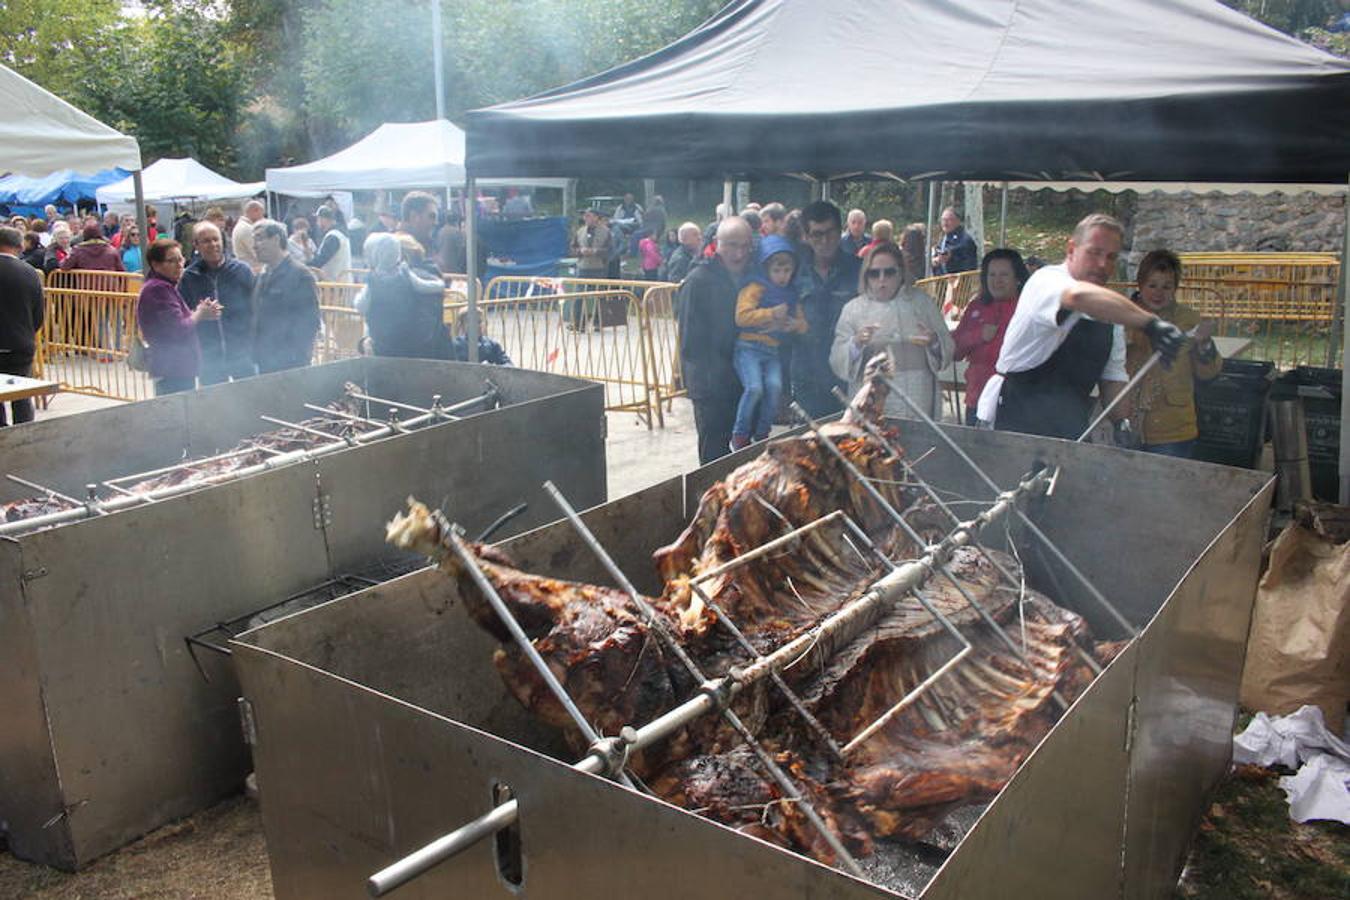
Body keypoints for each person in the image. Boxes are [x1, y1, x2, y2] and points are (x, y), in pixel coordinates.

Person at [977, 214, 1186, 440]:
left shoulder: (1110, 311)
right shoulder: (1046, 281)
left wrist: (1122, 424)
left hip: (1070, 422)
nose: (1102, 265)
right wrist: (1150, 323)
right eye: (1094, 253)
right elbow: (1077, 296)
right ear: (1071, 249)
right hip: (1015, 417)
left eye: (1111, 257)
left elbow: (1112, 377)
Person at [831, 241, 954, 419]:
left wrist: (934, 342)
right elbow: (837, 359)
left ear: (901, 273)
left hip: (917, 397)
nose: (882, 279)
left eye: (889, 272)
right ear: (866, 276)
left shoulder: (922, 303)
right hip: (870, 401)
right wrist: (855, 344)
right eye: (874, 273)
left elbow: (947, 348)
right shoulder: (853, 309)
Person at [1123, 249, 1222, 457]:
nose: (1158, 293)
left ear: (1176, 288)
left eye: (1167, 286)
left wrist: (1204, 345)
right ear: (1139, 285)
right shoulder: (1123, 316)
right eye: (1152, 285)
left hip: (1174, 428)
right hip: (1127, 419)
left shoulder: (1188, 319)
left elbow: (1208, 373)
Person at [678, 216, 753, 463]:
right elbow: (690, 343)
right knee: (714, 459)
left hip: (745, 381)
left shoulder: (754, 278)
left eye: (744, 246)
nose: (738, 253)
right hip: (711, 387)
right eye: (731, 245)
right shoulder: (698, 280)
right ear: (717, 244)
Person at [731, 234, 807, 450]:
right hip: (749, 347)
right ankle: (740, 434)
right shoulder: (755, 287)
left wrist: (795, 325)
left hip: (772, 351)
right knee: (754, 388)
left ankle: (763, 433)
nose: (782, 276)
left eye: (786, 271)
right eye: (777, 270)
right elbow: (741, 316)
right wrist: (771, 313)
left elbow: (803, 323)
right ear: (766, 269)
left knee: (774, 387)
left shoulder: (791, 293)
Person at [793, 200, 862, 417]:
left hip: (848, 375)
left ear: (841, 230)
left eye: (830, 232)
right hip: (807, 377)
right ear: (806, 235)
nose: (824, 241)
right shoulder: (793, 273)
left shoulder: (859, 269)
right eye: (817, 234)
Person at [136, 239, 221, 396]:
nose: (179, 264)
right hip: (172, 369)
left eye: (181, 259)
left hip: (177, 368)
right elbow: (178, 328)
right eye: (171, 261)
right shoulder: (158, 289)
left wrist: (202, 312)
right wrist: (200, 313)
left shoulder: (165, 286)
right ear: (156, 265)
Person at [953, 249, 1029, 424]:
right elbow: (954, 350)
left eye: (1004, 275)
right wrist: (978, 335)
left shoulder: (1027, 309)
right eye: (991, 275)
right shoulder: (976, 307)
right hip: (977, 399)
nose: (997, 281)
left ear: (1017, 278)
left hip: (1016, 402)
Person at [179, 221, 257, 385]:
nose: (213, 245)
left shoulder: (242, 270)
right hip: (209, 357)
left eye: (216, 239)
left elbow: (256, 307)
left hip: (242, 352)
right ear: (196, 245)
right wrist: (199, 314)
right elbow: (183, 315)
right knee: (214, 405)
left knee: (251, 400)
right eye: (206, 241)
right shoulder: (189, 277)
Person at [358, 232, 450, 359]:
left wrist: (371, 341)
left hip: (408, 357)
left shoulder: (413, 279)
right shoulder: (418, 279)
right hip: (423, 356)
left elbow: (422, 332)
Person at [251, 220, 319, 374]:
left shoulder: (300, 275)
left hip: (290, 363)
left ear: (275, 239)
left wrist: (298, 358)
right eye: (254, 240)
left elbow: (310, 322)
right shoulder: (262, 275)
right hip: (264, 360)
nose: (255, 246)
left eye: (259, 238)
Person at [0, 226, 45, 425]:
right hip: (21, 344)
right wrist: (27, 333)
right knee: (22, 395)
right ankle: (26, 439)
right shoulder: (30, 272)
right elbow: (38, 314)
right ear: (19, 246)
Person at [931, 207, 979, 275]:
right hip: (943, 282)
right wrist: (935, 261)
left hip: (961, 281)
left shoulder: (964, 239)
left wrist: (950, 254)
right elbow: (937, 257)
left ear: (958, 221)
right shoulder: (943, 239)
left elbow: (959, 250)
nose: (945, 223)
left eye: (949, 220)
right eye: (943, 220)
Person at [309, 206, 352, 282]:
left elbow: (320, 261)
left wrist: (301, 266)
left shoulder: (333, 236)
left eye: (318, 219)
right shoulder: (338, 234)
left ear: (323, 219)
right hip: (340, 283)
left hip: (334, 285)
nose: (317, 223)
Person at [398, 191, 440, 261]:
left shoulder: (425, 244)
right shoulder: (403, 247)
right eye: (431, 216)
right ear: (414, 216)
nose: (436, 223)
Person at [572, 208, 611, 279]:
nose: (585, 218)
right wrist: (580, 251)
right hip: (582, 269)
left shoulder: (606, 232)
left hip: (599, 269)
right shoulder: (580, 231)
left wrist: (595, 251)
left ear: (596, 218)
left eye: (588, 216)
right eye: (584, 216)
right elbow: (572, 248)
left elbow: (611, 250)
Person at [232, 200, 266, 272]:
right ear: (254, 211)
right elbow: (260, 254)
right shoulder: (247, 229)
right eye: (262, 214)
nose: (262, 217)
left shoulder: (242, 226)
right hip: (252, 271)